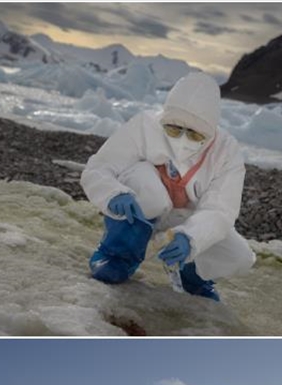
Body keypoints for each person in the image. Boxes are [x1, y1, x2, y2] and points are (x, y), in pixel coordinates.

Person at [80, 72, 255, 301]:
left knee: (239, 256)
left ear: (210, 131)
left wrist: (192, 239)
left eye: (194, 134)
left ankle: (191, 276)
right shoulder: (144, 126)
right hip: (141, 207)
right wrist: (113, 193)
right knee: (147, 185)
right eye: (173, 128)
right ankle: (116, 256)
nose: (182, 139)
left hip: (184, 220)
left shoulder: (226, 153)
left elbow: (221, 210)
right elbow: (99, 168)